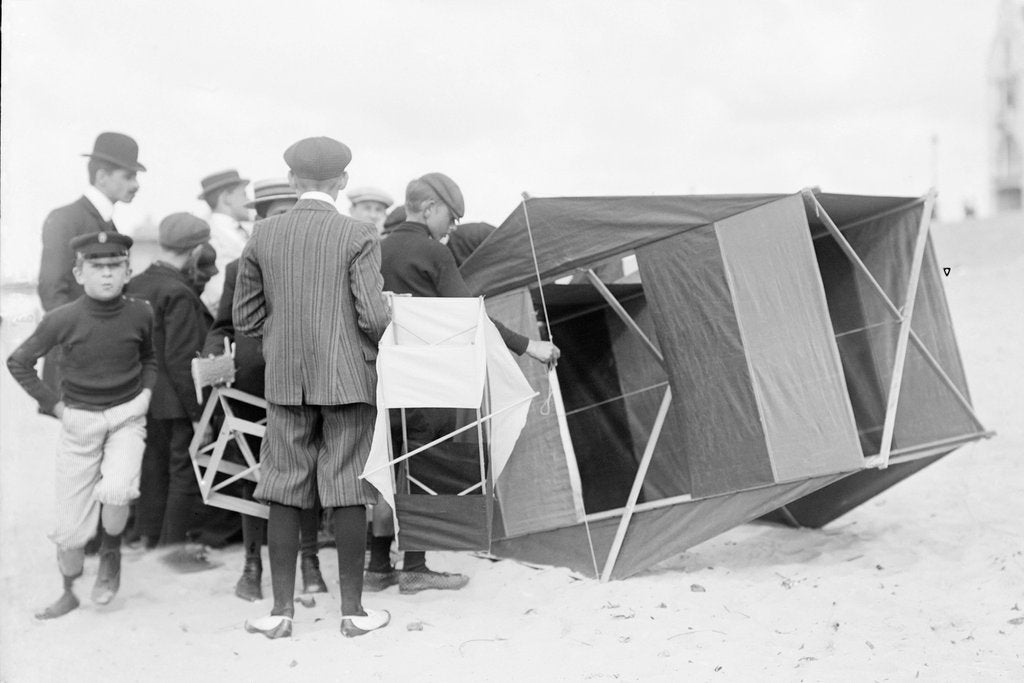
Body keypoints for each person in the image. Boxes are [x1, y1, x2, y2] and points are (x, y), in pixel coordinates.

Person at [371, 173, 559, 594]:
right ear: (429, 209)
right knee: (419, 465)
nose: (450, 230)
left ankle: (378, 565)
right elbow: (471, 316)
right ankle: (416, 566)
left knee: (386, 463)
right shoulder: (432, 255)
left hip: (381, 376)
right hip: (425, 378)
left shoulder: (375, 250)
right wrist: (528, 345)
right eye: (450, 219)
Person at [235, 136, 391, 639]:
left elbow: (245, 316)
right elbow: (372, 315)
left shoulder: (263, 234)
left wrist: (284, 343)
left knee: (282, 485)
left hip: (285, 380)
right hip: (348, 379)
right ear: (342, 182)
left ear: (292, 182)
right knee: (346, 486)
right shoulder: (359, 234)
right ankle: (353, 614)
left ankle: (281, 613)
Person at [8, 231, 155, 619]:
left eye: (114, 266)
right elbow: (18, 362)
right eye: (96, 266)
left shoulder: (142, 311)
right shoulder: (62, 318)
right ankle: (69, 590)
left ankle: (111, 556)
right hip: (80, 423)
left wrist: (145, 395)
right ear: (78, 273)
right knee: (70, 532)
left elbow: (150, 358)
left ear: (128, 271)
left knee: (118, 488)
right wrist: (55, 407)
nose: (106, 275)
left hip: (126, 417)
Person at [202, 178, 327, 601]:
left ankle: (309, 561)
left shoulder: (317, 267)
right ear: (260, 221)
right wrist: (212, 355)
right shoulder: (239, 268)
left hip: (305, 382)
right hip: (252, 387)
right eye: (277, 216)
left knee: (306, 471)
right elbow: (221, 327)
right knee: (252, 475)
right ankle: (252, 565)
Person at [126, 214, 221, 556]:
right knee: (183, 470)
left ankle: (148, 535)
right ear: (196, 250)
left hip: (143, 396)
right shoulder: (178, 292)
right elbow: (182, 360)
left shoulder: (136, 284)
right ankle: (173, 547)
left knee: (152, 466)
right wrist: (199, 414)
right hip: (176, 401)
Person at [37, 132, 146, 402]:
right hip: (78, 361)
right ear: (101, 177)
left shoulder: (109, 224)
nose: (136, 185)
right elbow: (52, 291)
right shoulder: (66, 219)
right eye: (128, 176)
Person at [198, 169, 251, 315]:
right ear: (227, 197)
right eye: (244, 195)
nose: (249, 201)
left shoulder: (241, 230)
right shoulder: (209, 233)